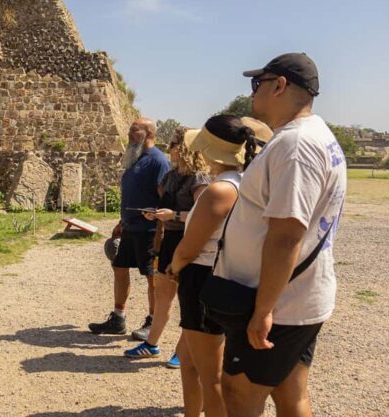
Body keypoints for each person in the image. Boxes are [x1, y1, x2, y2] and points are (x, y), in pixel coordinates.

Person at [218, 53, 346, 417]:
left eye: (257, 83)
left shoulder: (296, 145)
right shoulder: (312, 136)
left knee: (239, 393)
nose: (252, 92)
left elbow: (286, 235)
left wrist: (263, 310)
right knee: (290, 392)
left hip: (278, 303)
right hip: (295, 297)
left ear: (280, 86)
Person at [167, 115, 271, 417]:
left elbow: (189, 248)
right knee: (189, 361)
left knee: (210, 377)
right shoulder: (243, 183)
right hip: (219, 274)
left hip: (202, 277)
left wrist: (174, 267)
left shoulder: (220, 190)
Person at [122, 127, 210, 372]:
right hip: (170, 239)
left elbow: (204, 216)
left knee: (188, 299)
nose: (168, 148)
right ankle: (151, 344)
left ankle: (184, 351)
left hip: (189, 240)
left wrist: (175, 215)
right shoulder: (171, 176)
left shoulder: (200, 179)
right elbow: (165, 204)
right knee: (163, 296)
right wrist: (156, 214)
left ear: (185, 148)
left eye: (172, 144)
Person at [89, 118, 171, 338]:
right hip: (130, 227)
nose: (129, 133)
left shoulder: (158, 161)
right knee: (119, 267)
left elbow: (165, 197)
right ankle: (118, 318)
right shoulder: (136, 158)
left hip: (149, 230)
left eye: (134, 130)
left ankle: (153, 322)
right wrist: (121, 222)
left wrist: (161, 227)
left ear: (148, 133)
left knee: (152, 276)